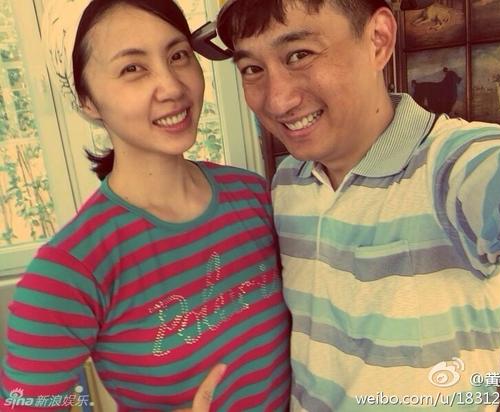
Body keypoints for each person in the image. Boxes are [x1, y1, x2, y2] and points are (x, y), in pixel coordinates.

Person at [193, 0, 500, 410]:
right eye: (252, 68)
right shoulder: (290, 180)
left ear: (378, 41)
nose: (277, 101)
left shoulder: (450, 167)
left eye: (299, 54)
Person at [0, 0, 290, 410]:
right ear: (87, 100)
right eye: (133, 68)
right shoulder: (67, 274)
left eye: (178, 55)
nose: (172, 86)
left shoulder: (254, 197)